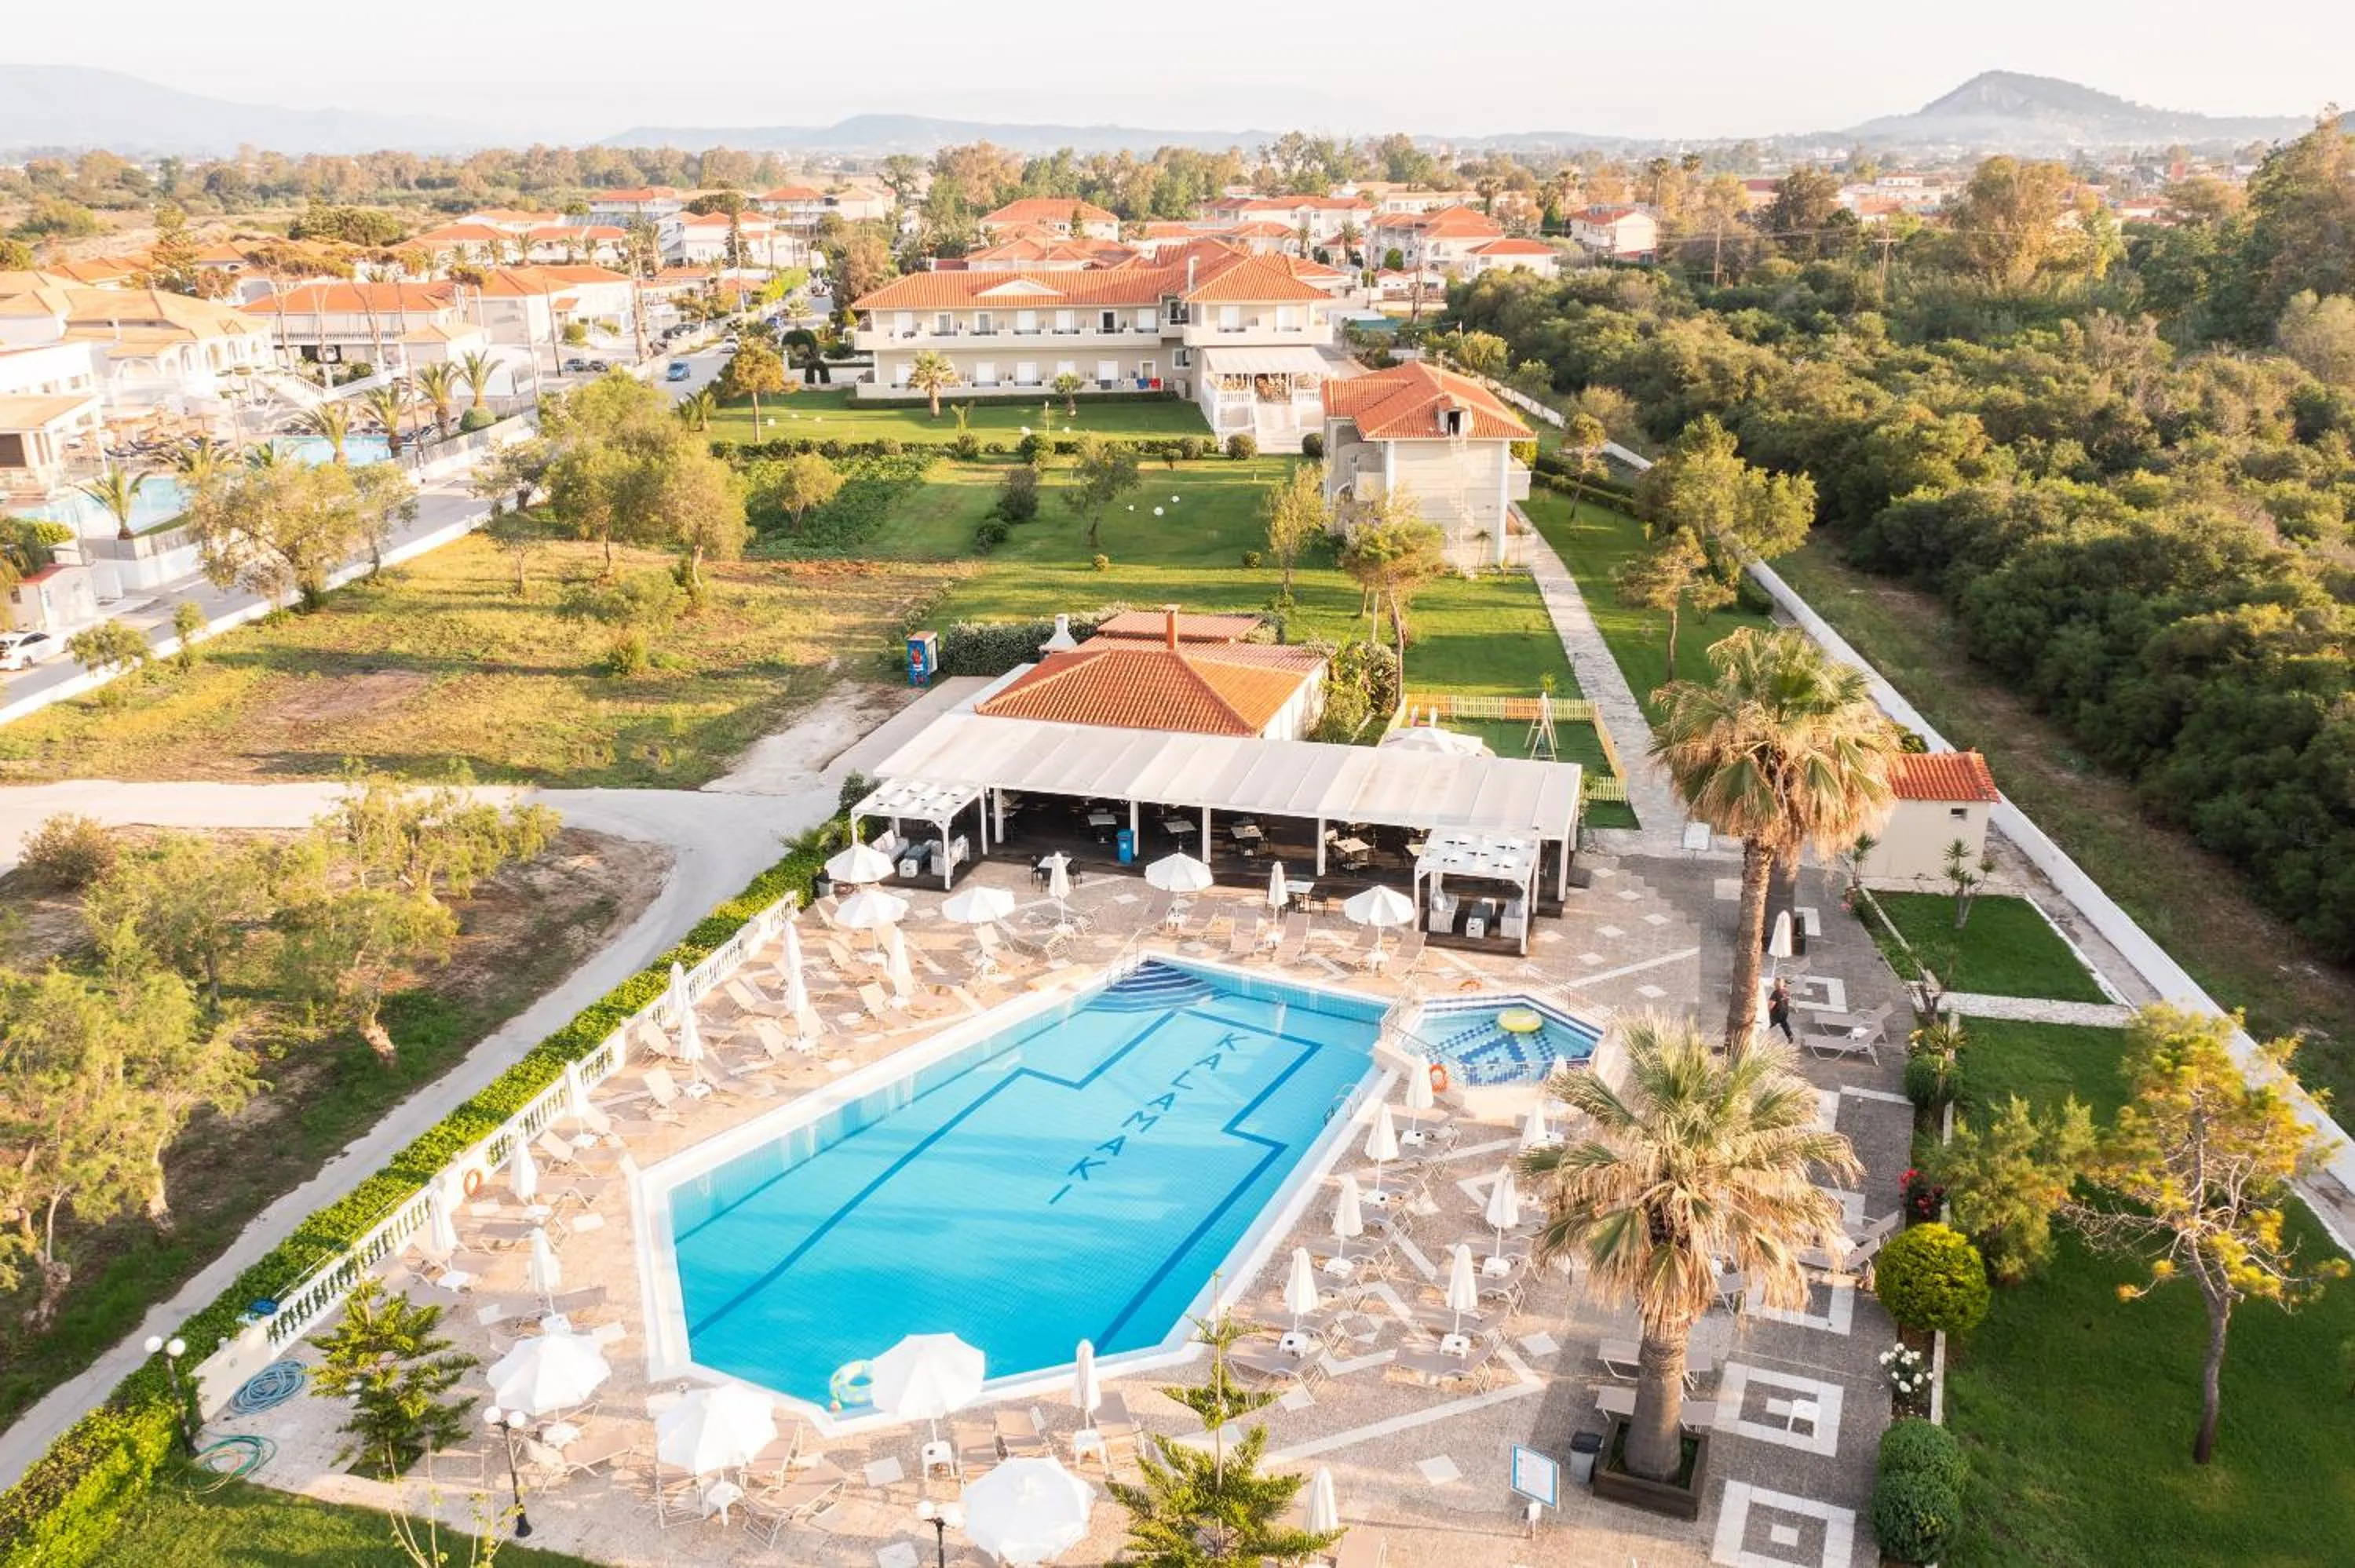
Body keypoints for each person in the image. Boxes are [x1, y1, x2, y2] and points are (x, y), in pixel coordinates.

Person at [1767, 977, 1795, 1042]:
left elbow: (1771, 1004)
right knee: (1784, 1023)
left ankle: (1760, 1035)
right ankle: (1790, 1035)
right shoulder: (1787, 992)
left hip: (1776, 1013)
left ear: (1775, 985)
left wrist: (1767, 1011)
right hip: (1785, 1011)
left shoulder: (1776, 993)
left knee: (1768, 1024)